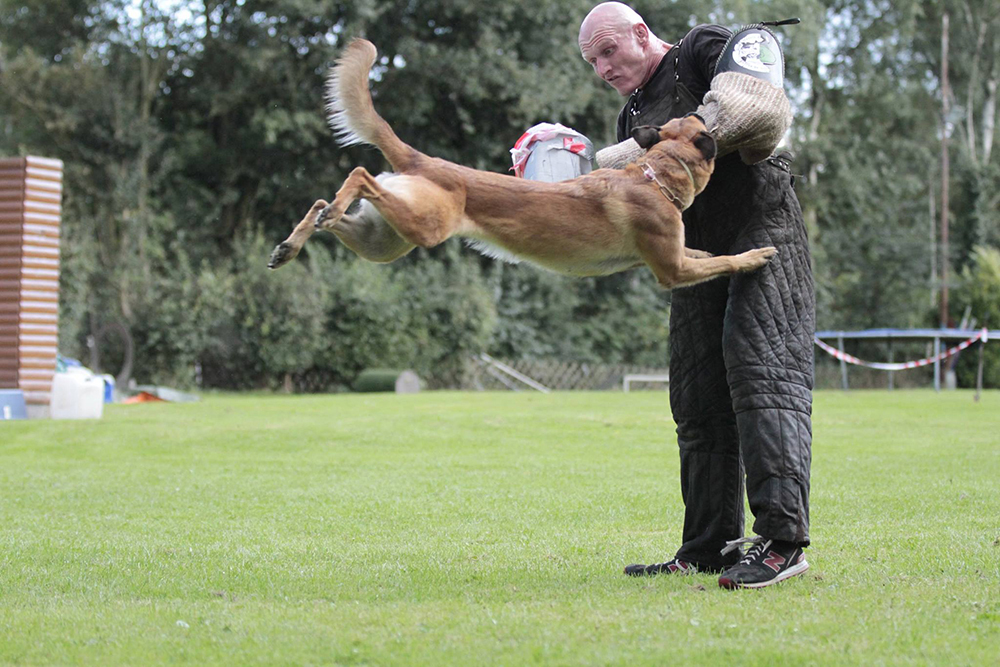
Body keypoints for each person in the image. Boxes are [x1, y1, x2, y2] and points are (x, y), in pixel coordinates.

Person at [578, 2, 815, 589]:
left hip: (763, 229)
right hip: (695, 252)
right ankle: (707, 546)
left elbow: (751, 108)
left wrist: (610, 161)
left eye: (609, 50)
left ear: (641, 34)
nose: (602, 67)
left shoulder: (702, 48)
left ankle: (783, 542)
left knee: (763, 374)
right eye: (592, 60)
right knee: (696, 395)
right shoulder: (631, 114)